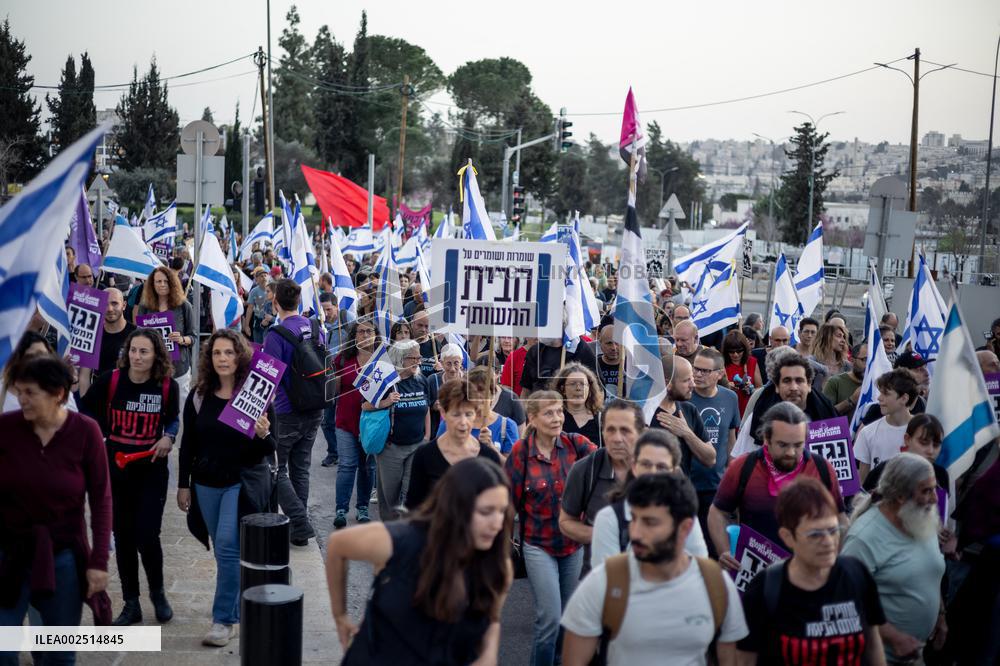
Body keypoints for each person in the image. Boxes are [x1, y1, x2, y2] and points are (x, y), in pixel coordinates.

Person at [327, 458, 512, 664]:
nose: (497, 523)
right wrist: (340, 615)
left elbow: (492, 618)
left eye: (502, 511)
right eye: (485, 512)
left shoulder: (496, 565)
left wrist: (488, 655)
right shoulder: (402, 540)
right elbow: (338, 545)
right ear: (456, 507)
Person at [561, 473, 747, 665]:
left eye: (650, 522)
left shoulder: (716, 585)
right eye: (633, 519)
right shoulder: (603, 582)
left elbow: (729, 659)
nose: (636, 533)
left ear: (684, 528)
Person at [0, 356, 112, 664]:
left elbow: (101, 500)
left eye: (30, 392)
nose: (21, 399)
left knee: (58, 654)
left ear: (59, 394)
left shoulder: (86, 432)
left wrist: (99, 561)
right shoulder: (6, 430)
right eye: (18, 391)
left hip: (63, 557)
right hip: (8, 555)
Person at [176, 330, 275, 647]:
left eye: (229, 353)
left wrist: (262, 434)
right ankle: (238, 604)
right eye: (217, 353)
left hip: (241, 481)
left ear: (240, 356)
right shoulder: (199, 395)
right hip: (206, 483)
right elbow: (188, 443)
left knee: (228, 546)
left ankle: (223, 620)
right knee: (224, 552)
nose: (223, 358)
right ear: (209, 358)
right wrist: (182, 484)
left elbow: (270, 449)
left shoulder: (257, 394)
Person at [80, 329, 180, 626]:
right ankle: (131, 602)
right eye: (133, 350)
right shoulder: (110, 380)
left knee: (148, 535)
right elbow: (86, 414)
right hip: (116, 471)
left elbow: (173, 418)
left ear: (156, 355)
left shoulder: (167, 386)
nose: (137, 356)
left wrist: (169, 436)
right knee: (123, 536)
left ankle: (158, 594)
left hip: (151, 471)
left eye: (144, 352)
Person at [737, 478, 887, 665]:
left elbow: (873, 644)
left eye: (833, 530)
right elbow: (745, 660)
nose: (828, 541)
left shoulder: (856, 574)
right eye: (815, 534)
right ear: (788, 537)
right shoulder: (765, 588)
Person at [505, 390, 597, 666]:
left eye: (559, 411)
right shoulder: (521, 453)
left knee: (568, 618)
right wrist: (505, 544)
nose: (557, 418)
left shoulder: (576, 444)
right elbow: (509, 502)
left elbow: (608, 462)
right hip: (537, 544)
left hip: (572, 544)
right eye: (548, 412)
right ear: (532, 418)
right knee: (550, 619)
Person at [709, 403, 846, 565]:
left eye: (798, 445)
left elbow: (840, 519)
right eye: (782, 445)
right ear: (767, 439)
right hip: (756, 574)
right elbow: (718, 512)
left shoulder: (822, 468)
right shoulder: (744, 466)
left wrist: (835, 560)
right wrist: (724, 550)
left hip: (809, 572)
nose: (790, 452)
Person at [841, 454, 947, 664]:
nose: (935, 498)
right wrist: (894, 638)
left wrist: (940, 614)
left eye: (934, 488)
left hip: (914, 656)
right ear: (899, 496)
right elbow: (844, 605)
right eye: (926, 491)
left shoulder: (921, 519)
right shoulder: (863, 538)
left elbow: (931, 571)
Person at [263, 278, 325, 546]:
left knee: (276, 469)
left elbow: (268, 378)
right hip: (315, 408)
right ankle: (299, 532)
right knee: (301, 469)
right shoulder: (315, 327)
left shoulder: (275, 335)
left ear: (275, 302)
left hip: (287, 412)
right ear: (298, 301)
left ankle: (299, 522)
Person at [590, 430, 709, 568]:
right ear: (634, 467)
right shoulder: (609, 518)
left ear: (673, 472)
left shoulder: (685, 518)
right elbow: (607, 580)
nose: (653, 473)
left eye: (661, 467)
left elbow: (699, 571)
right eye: (646, 464)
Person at [559, 400, 645, 567]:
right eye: (610, 430)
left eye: (625, 431)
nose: (617, 439)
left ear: (641, 433)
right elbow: (566, 522)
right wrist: (603, 534)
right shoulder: (585, 469)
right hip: (599, 576)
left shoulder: (660, 470)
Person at [406, 379, 502, 509]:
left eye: (468, 414)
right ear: (443, 413)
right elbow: (414, 507)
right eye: (456, 414)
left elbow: (495, 508)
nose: (463, 422)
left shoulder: (489, 457)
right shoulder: (425, 455)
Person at [688, 348, 741, 554]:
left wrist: (732, 474)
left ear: (719, 374)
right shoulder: (684, 396)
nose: (698, 374)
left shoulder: (730, 398)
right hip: (686, 483)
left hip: (714, 486)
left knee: (710, 548)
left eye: (705, 371)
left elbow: (731, 439)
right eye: (696, 369)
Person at [734, 352, 838, 455]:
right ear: (777, 386)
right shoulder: (759, 416)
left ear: (809, 385)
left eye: (799, 380)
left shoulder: (826, 414)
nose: (793, 387)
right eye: (787, 381)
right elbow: (741, 461)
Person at [371, 339, 429, 521]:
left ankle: (405, 533)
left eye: (419, 357)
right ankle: (389, 534)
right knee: (390, 497)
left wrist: (427, 436)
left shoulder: (421, 380)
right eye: (414, 358)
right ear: (400, 358)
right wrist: (387, 402)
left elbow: (426, 408)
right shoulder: (385, 381)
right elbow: (364, 406)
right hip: (391, 448)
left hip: (417, 445)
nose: (418, 361)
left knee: (409, 492)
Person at [330, 317, 378, 529]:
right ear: (354, 335)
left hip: (372, 424)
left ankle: (363, 508)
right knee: (347, 465)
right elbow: (333, 391)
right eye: (361, 332)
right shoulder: (342, 359)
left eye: (369, 332)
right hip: (345, 422)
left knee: (367, 467)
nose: (365, 336)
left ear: (376, 335)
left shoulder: (383, 360)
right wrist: (332, 376)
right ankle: (341, 509)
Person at [135, 265, 196, 406]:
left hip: (179, 369)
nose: (162, 285)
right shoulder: (145, 307)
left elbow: (193, 337)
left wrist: (181, 339)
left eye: (166, 281)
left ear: (172, 282)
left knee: (180, 410)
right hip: (152, 368)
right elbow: (138, 336)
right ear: (152, 284)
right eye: (158, 281)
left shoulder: (184, 306)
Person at [650, 355, 715, 474]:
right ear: (667, 382)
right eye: (686, 380)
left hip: (682, 490)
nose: (693, 385)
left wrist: (687, 433)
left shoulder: (689, 410)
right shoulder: (644, 414)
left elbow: (710, 459)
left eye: (692, 378)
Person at [435, 366, 519, 457]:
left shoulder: (507, 426)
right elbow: (436, 456)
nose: (477, 395)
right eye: (472, 390)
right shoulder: (450, 423)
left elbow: (512, 468)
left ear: (493, 393)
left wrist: (491, 447)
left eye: (482, 390)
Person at [854, 369, 918, 482]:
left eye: (886, 393)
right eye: (880, 392)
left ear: (904, 398)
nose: (879, 398)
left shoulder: (922, 432)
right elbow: (862, 483)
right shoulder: (867, 432)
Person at [520, 337, 597, 395]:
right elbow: (526, 390)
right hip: (540, 411)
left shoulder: (580, 348)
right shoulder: (536, 351)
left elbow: (596, 388)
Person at [552, 363, 605, 447]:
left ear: (590, 389)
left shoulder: (602, 419)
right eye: (573, 384)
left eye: (582, 384)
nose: (578, 388)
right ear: (563, 389)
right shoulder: (554, 418)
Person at [426, 342, 465, 437]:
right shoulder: (432, 380)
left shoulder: (468, 380)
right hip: (437, 433)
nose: (452, 369)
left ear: (461, 362)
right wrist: (434, 406)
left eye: (456, 363)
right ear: (442, 363)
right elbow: (426, 406)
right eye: (448, 364)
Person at [723, 330, 761, 417]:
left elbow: (760, 388)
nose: (735, 355)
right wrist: (726, 386)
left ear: (745, 349)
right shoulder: (722, 363)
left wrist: (751, 389)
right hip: (727, 408)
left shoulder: (751, 362)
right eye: (731, 352)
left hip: (746, 407)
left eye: (739, 351)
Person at [823, 342, 866, 417]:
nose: (868, 364)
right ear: (852, 361)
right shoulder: (835, 382)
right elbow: (824, 414)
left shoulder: (878, 385)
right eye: (865, 359)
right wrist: (852, 400)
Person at [593, 322, 624, 402]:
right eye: (609, 343)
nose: (614, 347)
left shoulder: (631, 366)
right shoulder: (593, 364)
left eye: (617, 343)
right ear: (600, 344)